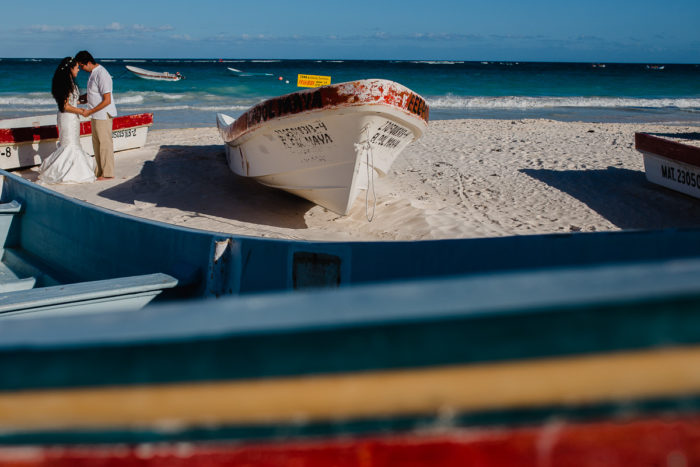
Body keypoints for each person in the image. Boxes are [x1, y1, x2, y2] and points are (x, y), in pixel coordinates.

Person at [38, 57, 96, 184]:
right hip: (67, 118)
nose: (78, 70)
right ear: (70, 69)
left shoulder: (71, 82)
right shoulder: (63, 83)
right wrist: (81, 111)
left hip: (73, 118)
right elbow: (64, 106)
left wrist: (86, 98)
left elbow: (73, 101)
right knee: (69, 145)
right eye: (76, 68)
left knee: (74, 143)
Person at [75, 50, 117, 180]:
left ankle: (108, 173)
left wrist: (89, 112)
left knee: (105, 144)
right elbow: (93, 95)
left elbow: (107, 100)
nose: (81, 69)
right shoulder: (93, 74)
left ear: (87, 63)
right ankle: (100, 171)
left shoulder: (102, 74)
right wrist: (78, 99)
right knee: (97, 144)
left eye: (81, 66)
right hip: (95, 115)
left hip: (103, 114)